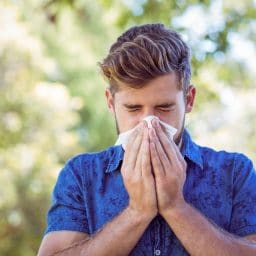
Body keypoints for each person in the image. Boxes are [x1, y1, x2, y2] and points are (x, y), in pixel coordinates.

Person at [38, 23, 256, 256]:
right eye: (133, 108)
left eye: (164, 107)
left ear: (189, 100)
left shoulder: (234, 172)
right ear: (111, 103)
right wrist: (137, 212)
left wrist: (176, 207)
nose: (149, 123)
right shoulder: (81, 176)